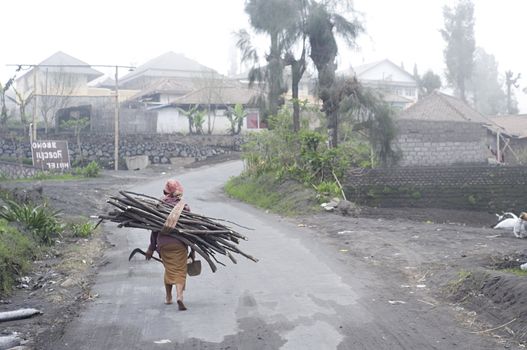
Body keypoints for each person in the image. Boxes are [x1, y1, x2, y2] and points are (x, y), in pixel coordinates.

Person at [145, 179, 194, 310]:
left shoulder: (160, 206)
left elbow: (155, 231)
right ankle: (179, 297)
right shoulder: (184, 207)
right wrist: (193, 250)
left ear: (166, 191)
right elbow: (190, 230)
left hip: (163, 245)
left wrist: (151, 248)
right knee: (179, 271)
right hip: (179, 245)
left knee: (169, 270)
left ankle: (168, 298)